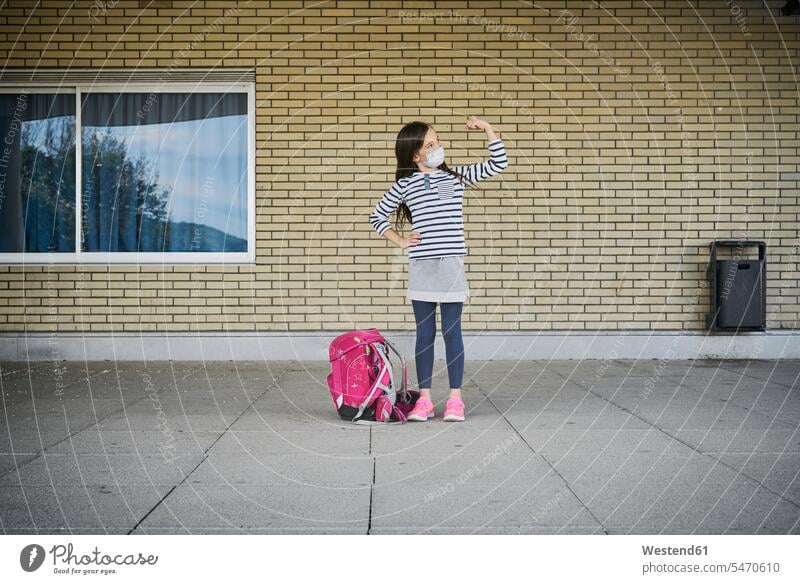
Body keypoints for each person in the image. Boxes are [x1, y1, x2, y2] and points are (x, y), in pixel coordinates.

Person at [369, 116, 508, 422]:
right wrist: (401, 241)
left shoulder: (456, 177)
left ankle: (456, 400)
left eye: (438, 142)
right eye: (430, 145)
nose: (438, 148)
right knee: (425, 334)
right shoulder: (404, 185)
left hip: (451, 268)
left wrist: (487, 130)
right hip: (422, 267)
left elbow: (497, 163)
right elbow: (377, 216)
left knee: (452, 332)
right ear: (415, 155)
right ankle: (426, 401)